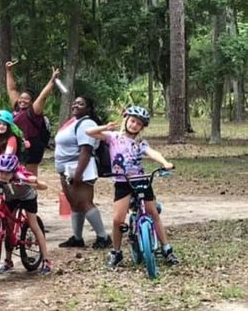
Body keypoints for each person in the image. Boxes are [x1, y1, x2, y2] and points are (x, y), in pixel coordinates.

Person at [85, 106, 179, 268]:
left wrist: (165, 163)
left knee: (153, 213)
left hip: (140, 179)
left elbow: (152, 153)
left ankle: (166, 248)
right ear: (126, 120)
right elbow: (89, 132)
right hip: (122, 182)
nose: (134, 125)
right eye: (133, 121)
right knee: (117, 220)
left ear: (142, 128)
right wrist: (105, 127)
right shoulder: (113, 137)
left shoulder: (140, 143)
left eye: (139, 124)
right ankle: (116, 252)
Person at [54, 96, 112, 249]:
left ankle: (103, 237)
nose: (76, 105)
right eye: (75, 102)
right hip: (66, 170)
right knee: (75, 204)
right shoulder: (72, 122)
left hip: (79, 169)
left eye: (81, 104)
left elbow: (86, 150)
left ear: (88, 109)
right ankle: (77, 238)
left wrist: (78, 174)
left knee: (85, 203)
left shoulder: (86, 123)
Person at [0, 154, 52, 276]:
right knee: (8, 227)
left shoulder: (22, 175)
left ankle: (46, 260)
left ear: (14, 171)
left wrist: (35, 182)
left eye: (7, 173)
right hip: (11, 197)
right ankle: (8, 261)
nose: (3, 175)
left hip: (27, 197)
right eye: (1, 172)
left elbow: (44, 186)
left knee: (33, 225)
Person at [5, 61, 60, 176]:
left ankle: (31, 193)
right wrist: (8, 71)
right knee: (15, 172)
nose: (22, 100)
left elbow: (43, 96)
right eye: (21, 98)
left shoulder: (34, 111)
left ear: (31, 101)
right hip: (18, 143)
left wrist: (52, 81)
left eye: (26, 99)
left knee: (29, 175)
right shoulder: (16, 108)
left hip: (32, 145)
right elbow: (12, 89)